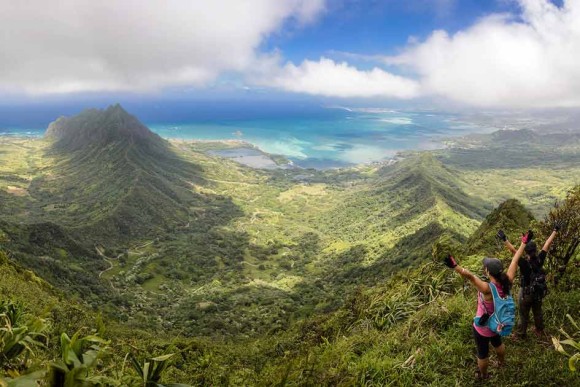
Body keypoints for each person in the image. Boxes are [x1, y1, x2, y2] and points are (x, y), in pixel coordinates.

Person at [443, 232, 530, 380]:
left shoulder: (487, 288)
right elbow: (515, 260)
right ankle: (502, 363)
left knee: (482, 353)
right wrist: (523, 242)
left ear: (488, 272)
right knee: (498, 343)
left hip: (483, 328)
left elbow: (470, 276)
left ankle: (483, 375)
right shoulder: (508, 280)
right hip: (498, 324)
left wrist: (455, 266)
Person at [497, 221, 563, 339]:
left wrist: (505, 239)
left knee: (523, 314)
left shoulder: (524, 263)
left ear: (526, 252)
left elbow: (514, 252)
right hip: (538, 291)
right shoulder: (540, 259)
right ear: (536, 250)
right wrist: (555, 230)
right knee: (537, 311)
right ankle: (539, 330)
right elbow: (547, 244)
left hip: (526, 292)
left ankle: (521, 334)